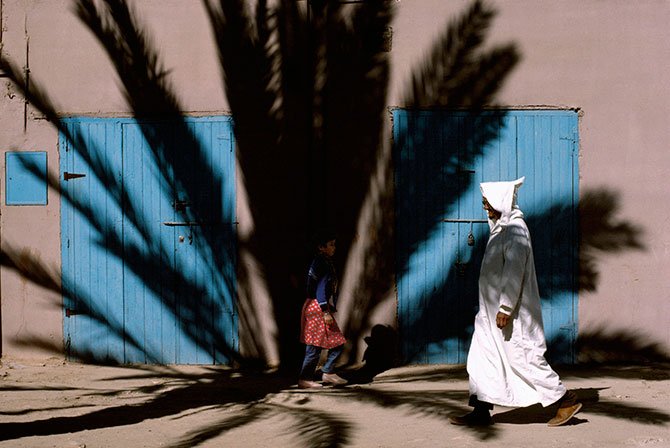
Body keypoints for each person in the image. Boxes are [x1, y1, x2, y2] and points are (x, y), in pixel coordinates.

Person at [449, 177, 582, 427]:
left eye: (487, 203)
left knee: (525, 358)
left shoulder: (515, 230)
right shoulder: (501, 229)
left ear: (500, 201)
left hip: (511, 314)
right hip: (489, 313)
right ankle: (480, 410)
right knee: (482, 359)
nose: (485, 208)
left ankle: (565, 400)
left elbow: (514, 271)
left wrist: (506, 307)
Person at [298, 230, 348, 389]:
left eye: (334, 244)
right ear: (321, 247)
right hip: (317, 308)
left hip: (316, 306)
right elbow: (320, 288)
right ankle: (305, 378)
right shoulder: (322, 263)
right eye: (331, 245)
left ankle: (327, 372)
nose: (334, 248)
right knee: (314, 346)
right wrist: (325, 311)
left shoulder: (322, 261)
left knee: (335, 342)